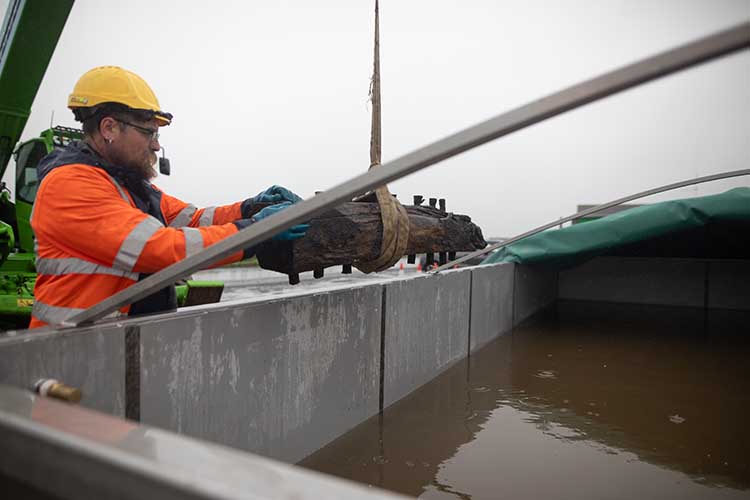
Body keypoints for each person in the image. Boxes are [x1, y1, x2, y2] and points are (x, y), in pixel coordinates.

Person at [29, 66, 308, 328]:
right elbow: (157, 249)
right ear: (109, 128)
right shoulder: (70, 185)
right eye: (149, 132)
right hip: (72, 352)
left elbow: (195, 220)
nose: (156, 144)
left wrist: (250, 208)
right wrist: (257, 230)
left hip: (118, 343)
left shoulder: (125, 185)